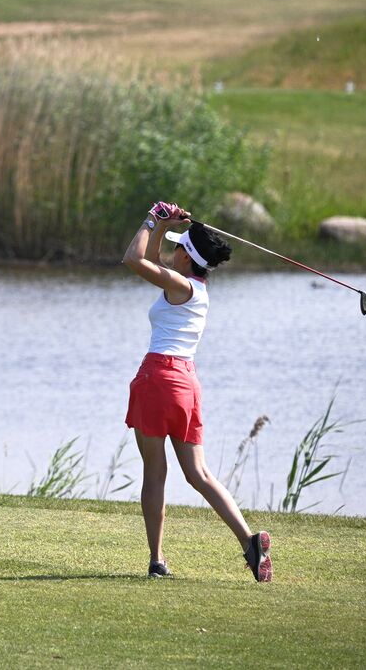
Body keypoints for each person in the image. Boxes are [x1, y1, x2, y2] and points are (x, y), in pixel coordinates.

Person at [122, 202, 272, 583]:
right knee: (199, 473)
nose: (170, 252)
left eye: (177, 247)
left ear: (186, 257)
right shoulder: (195, 287)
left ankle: (157, 559)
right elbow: (154, 256)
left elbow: (134, 259)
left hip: (157, 378)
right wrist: (165, 228)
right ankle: (249, 541)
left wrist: (150, 219)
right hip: (186, 383)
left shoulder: (179, 285)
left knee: (155, 473)